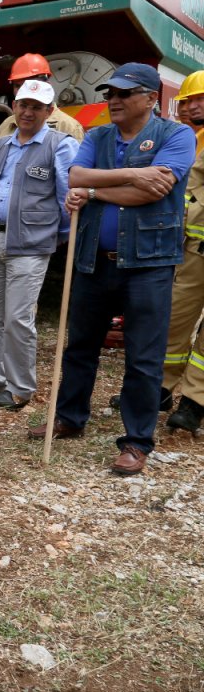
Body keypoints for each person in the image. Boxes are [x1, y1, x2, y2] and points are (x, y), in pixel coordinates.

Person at [29, 63, 196, 477]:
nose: (114, 101)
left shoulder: (176, 135)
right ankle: (69, 417)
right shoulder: (98, 135)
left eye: (124, 93)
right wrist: (133, 174)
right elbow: (76, 176)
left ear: (150, 98)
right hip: (91, 261)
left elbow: (155, 191)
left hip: (148, 264)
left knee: (143, 355)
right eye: (110, 94)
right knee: (80, 345)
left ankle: (137, 441)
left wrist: (95, 190)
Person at [0, 80, 77, 410]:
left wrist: (57, 235)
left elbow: (68, 197)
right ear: (14, 105)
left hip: (31, 244)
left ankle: (21, 387)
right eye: (23, 104)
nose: (27, 111)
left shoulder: (60, 145)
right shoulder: (2, 145)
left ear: (49, 111)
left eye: (36, 107)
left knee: (19, 318)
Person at [158, 70, 204, 431]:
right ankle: (159, 388)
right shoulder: (190, 140)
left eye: (201, 98)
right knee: (173, 320)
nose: (195, 105)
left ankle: (194, 402)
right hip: (192, 251)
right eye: (191, 100)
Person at [0, 53, 85, 142]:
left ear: (47, 86)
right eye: (18, 86)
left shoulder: (68, 127)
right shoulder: (6, 126)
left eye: (30, 85)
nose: (23, 91)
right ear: (14, 105)